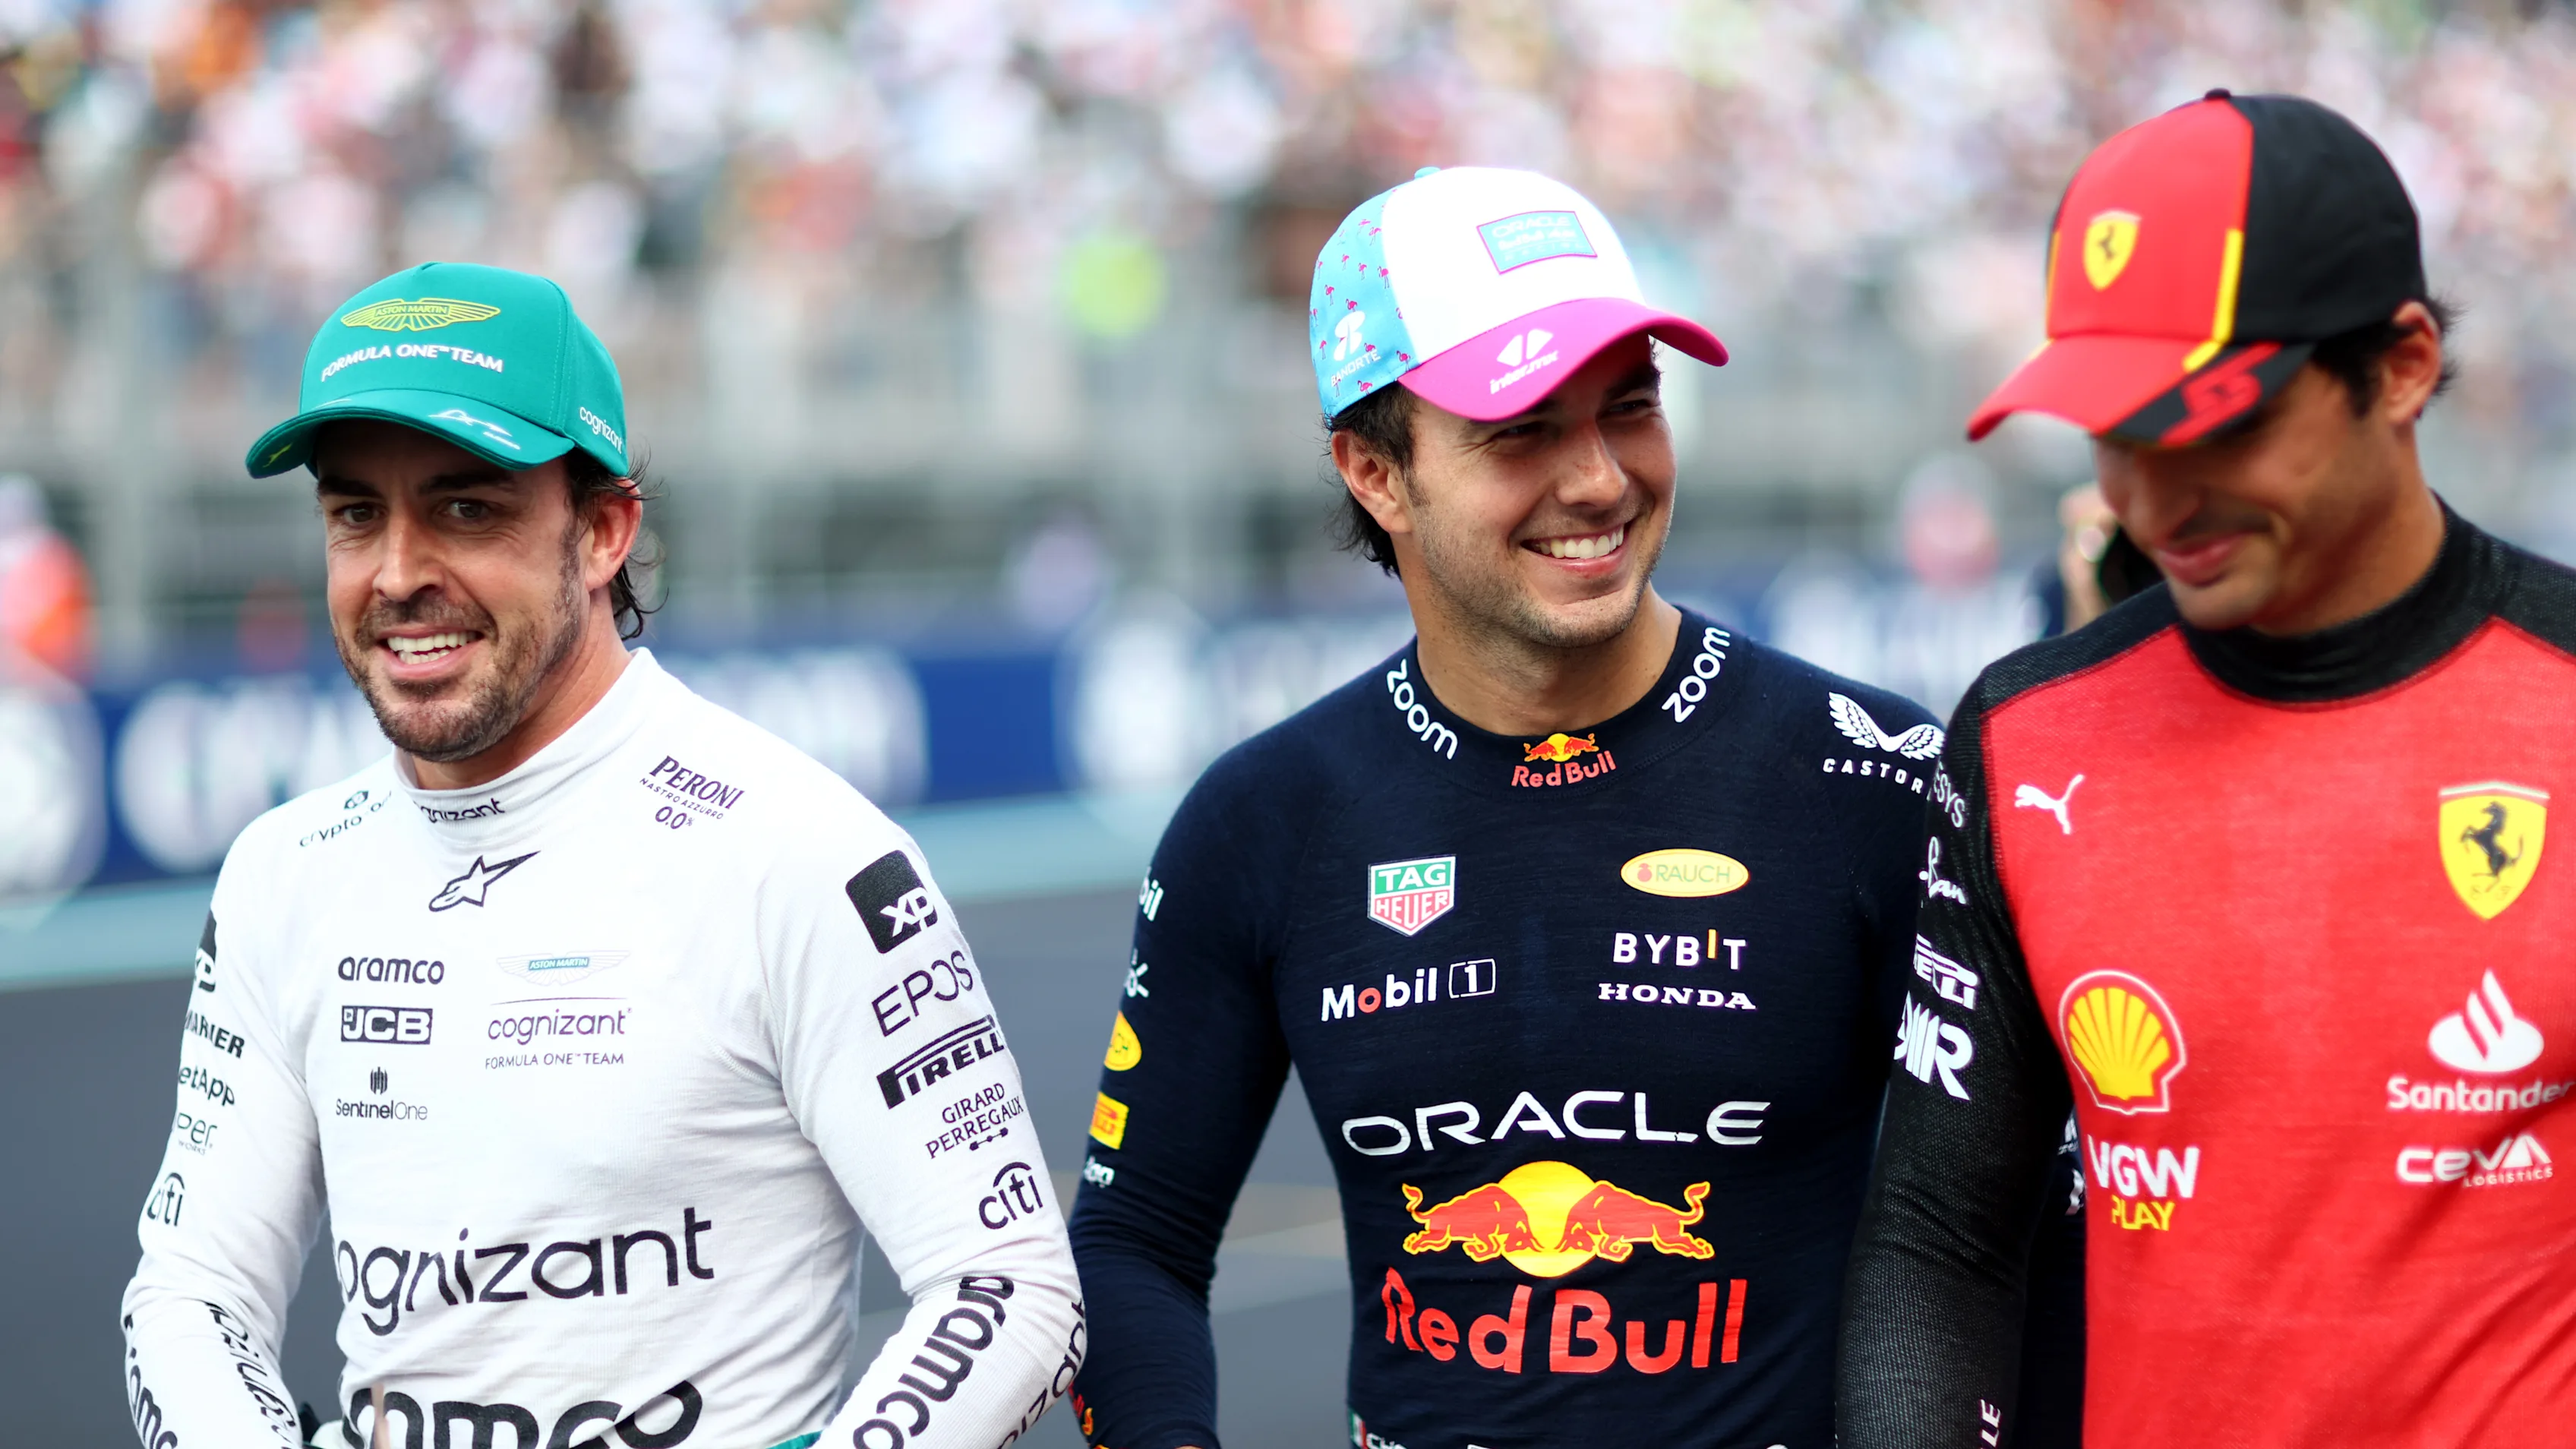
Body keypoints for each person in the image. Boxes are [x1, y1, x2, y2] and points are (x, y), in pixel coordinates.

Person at [122, 263, 1084, 1449]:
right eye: (355, 513)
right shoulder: (284, 874)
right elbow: (190, 1292)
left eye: (467, 508)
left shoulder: (799, 851)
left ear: (604, 534)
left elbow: (1009, 1285)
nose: (397, 571)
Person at [1064, 165, 1947, 1449]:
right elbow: (1135, 1237)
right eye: (1522, 428)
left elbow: (1999, 1229)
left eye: (1631, 408)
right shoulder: (1264, 820)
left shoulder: (1871, 775)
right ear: (1375, 471)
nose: (1598, 481)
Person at [1839, 90, 2576, 1447]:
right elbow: (1941, 1239)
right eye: (2115, 431)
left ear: (2403, 366)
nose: (2154, 499)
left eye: (2218, 424)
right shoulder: (2023, 734)